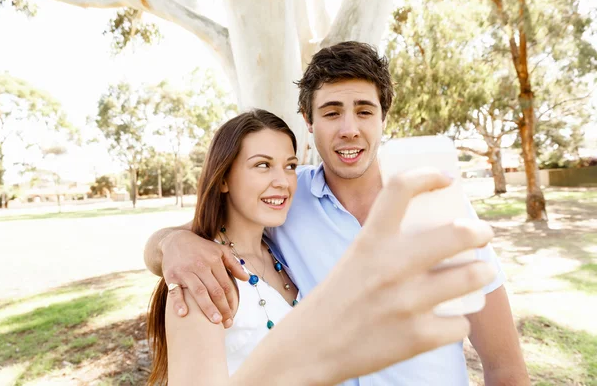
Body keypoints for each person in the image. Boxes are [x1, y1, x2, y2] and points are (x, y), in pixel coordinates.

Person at [145, 42, 530, 385]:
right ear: (308, 123)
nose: (349, 129)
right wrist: (172, 243)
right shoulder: (285, 199)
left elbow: (505, 366)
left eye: (364, 111)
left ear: (383, 119)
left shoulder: (439, 208)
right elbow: (196, 234)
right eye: (331, 113)